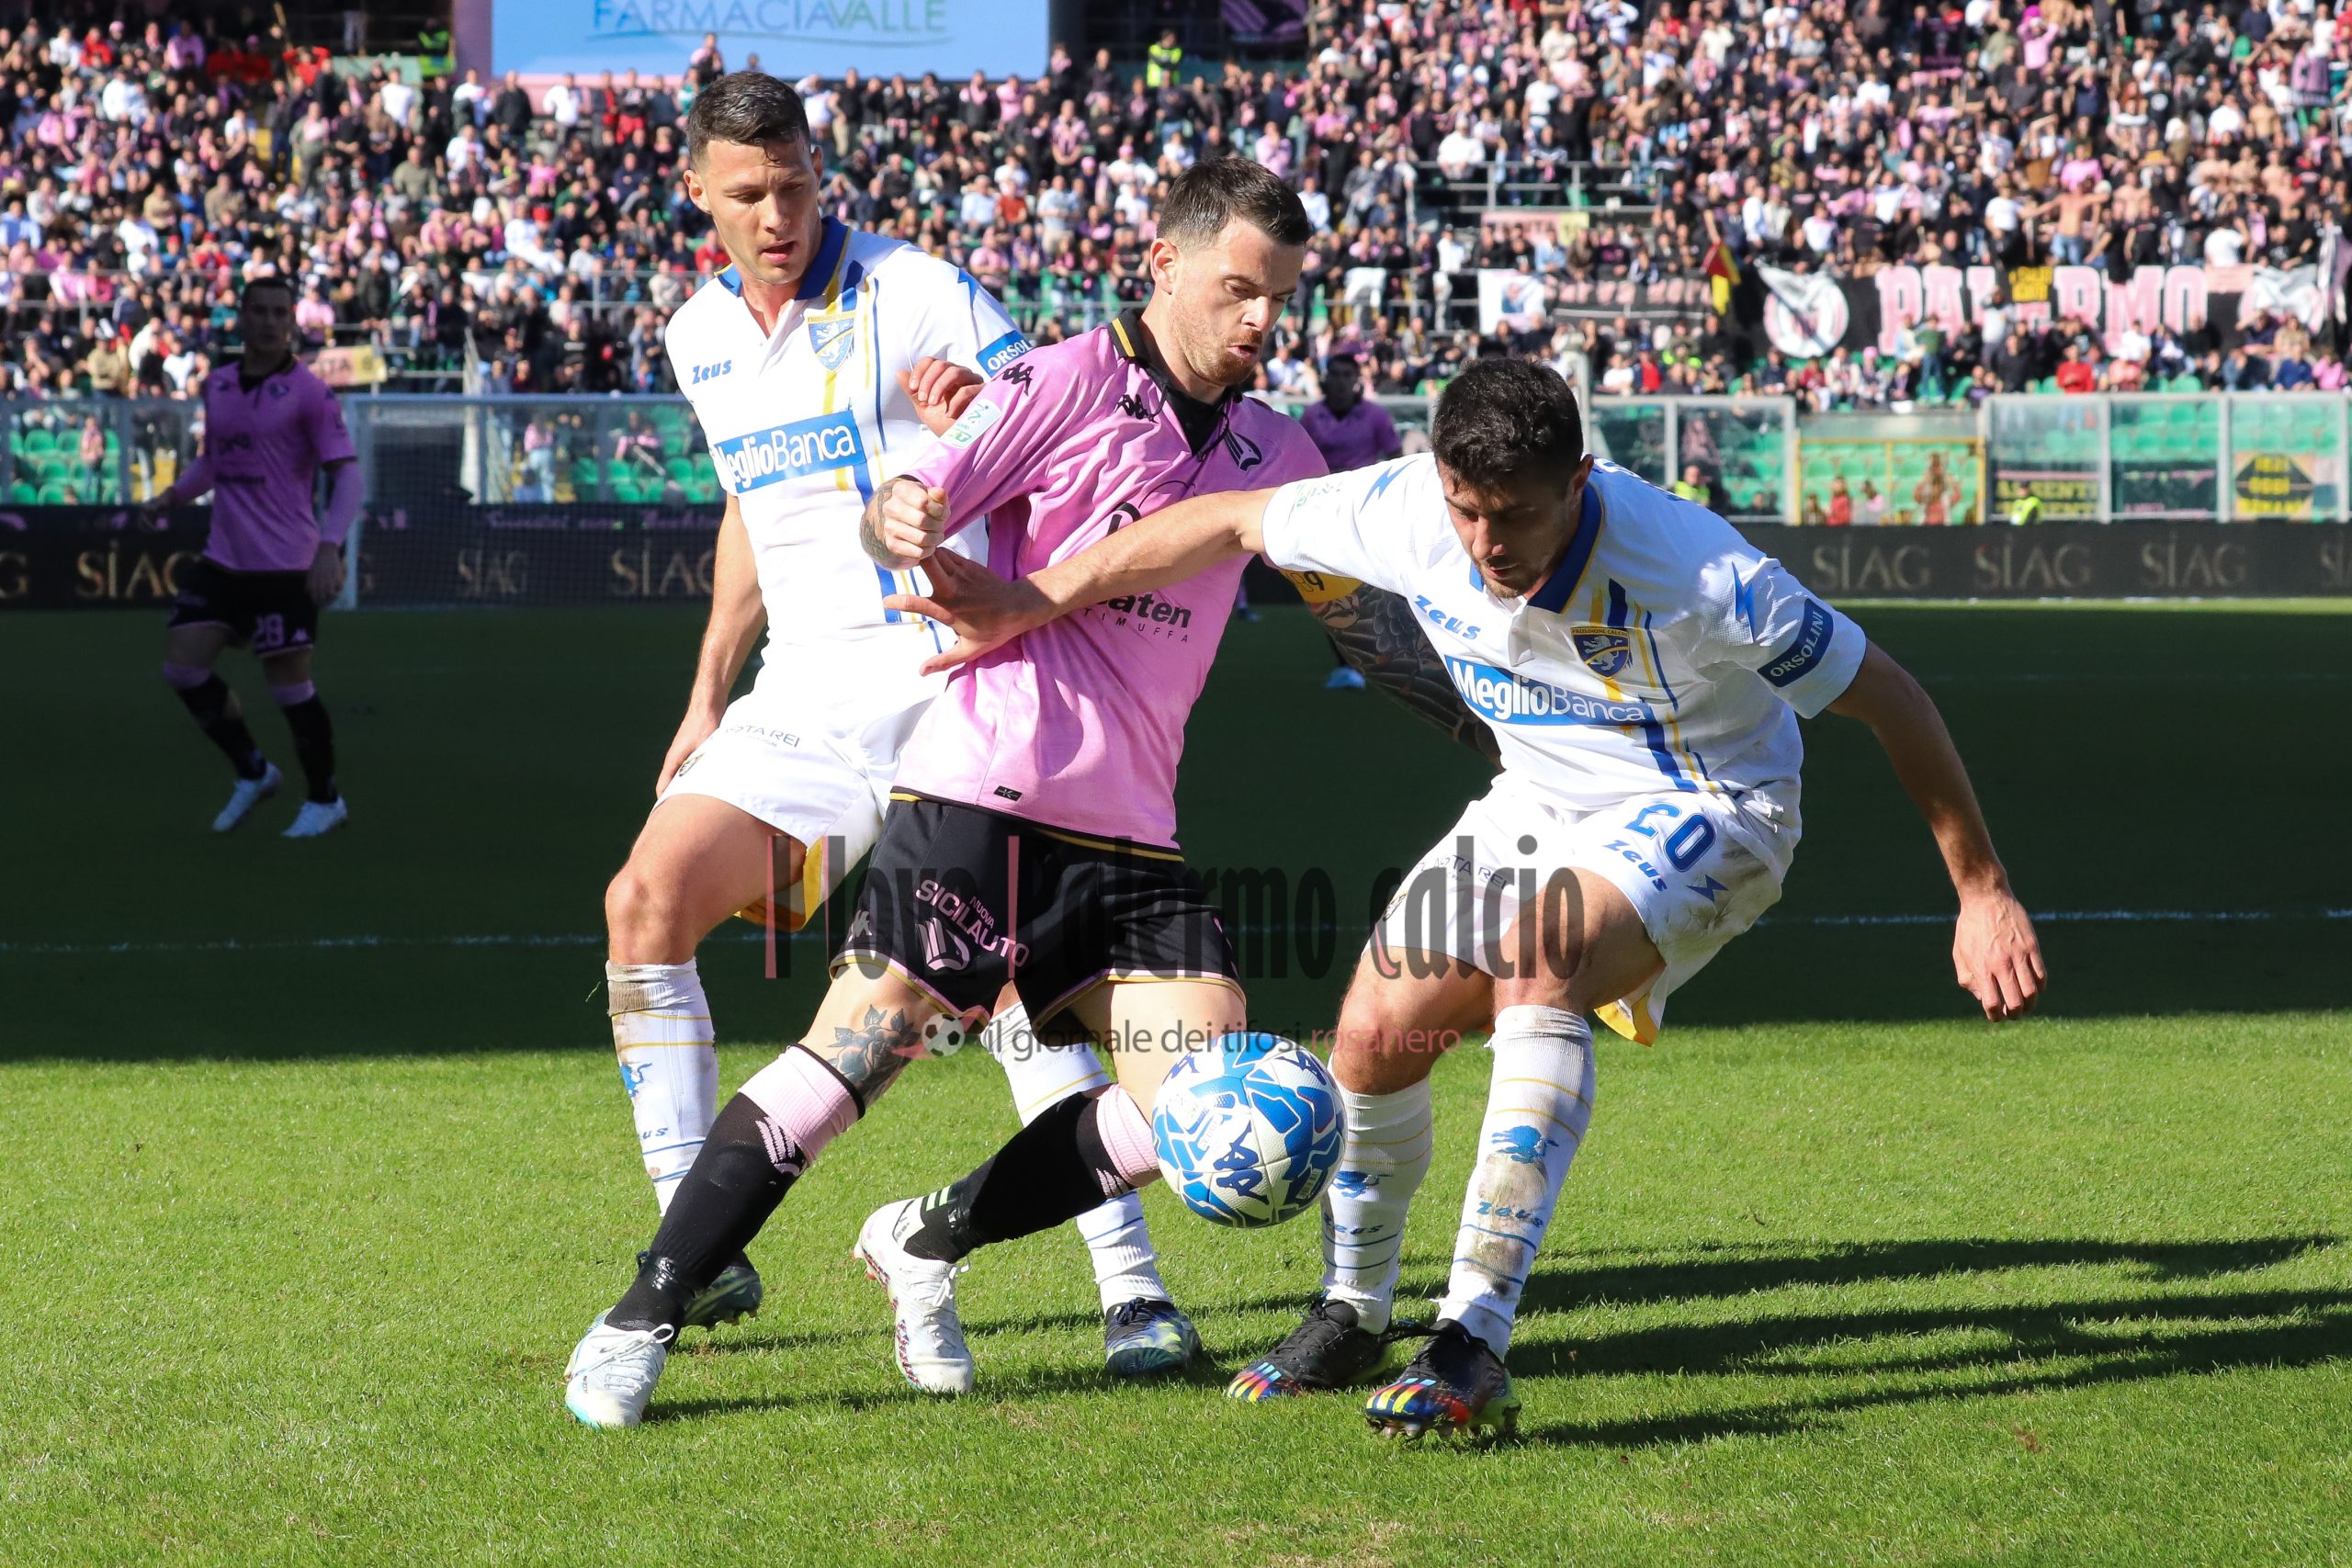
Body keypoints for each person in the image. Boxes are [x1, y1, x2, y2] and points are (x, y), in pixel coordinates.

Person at [892, 358, 2047, 1439]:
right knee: (1374, 1035)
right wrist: (1028, 600)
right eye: (1465, 509)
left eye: (1517, 515)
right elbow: (1224, 522)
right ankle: (1351, 1313)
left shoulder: (1699, 574)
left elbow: (1889, 695)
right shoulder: (1400, 507)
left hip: (1714, 802)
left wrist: (1981, 890)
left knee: (1537, 959)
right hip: (1536, 796)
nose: (1487, 542)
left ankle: (1472, 1338)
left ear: (1578, 484)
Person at [560, 158, 1335, 1428]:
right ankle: (643, 1308)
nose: (1259, 320)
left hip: (1135, 837)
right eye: (1238, 289)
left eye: (1278, 298)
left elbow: (1349, 591)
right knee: (850, 1061)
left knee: (1200, 1105)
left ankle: (928, 1236)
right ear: (1165, 267)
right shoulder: (1068, 380)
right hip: (984, 801)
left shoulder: (1278, 445)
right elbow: (912, 498)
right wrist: (908, 517)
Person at [591, 73, 1184, 1367]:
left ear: (820, 173)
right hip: (801, 696)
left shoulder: (916, 288)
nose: (776, 213)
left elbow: (1065, 424)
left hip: (953, 680)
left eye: (794, 184)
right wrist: (705, 691)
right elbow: (750, 505)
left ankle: (1131, 1286)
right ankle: (696, 1245)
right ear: (697, 192)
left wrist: (981, 410)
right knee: (644, 903)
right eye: (746, 193)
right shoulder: (699, 332)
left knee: (1023, 983)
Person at [135, 276, 361, 839]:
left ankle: (326, 799)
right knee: (182, 667)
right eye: (257, 310)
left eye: (277, 312)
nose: (266, 321)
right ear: (241, 316)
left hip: (286, 563)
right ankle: (254, 770)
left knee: (289, 687)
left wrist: (329, 547)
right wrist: (173, 496)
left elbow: (348, 476)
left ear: (290, 321)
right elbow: (214, 462)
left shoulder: (310, 392)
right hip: (224, 559)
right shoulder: (219, 385)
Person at [1298, 351, 1403, 690]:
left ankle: (1381, 659)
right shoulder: (1312, 417)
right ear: (1326, 378)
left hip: (1366, 513)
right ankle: (1346, 663)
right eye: (1336, 374)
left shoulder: (1375, 416)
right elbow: (1298, 460)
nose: (1341, 381)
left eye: (1348, 375)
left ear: (1356, 379)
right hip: (1324, 513)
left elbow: (1396, 459)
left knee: (1373, 589)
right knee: (1332, 593)